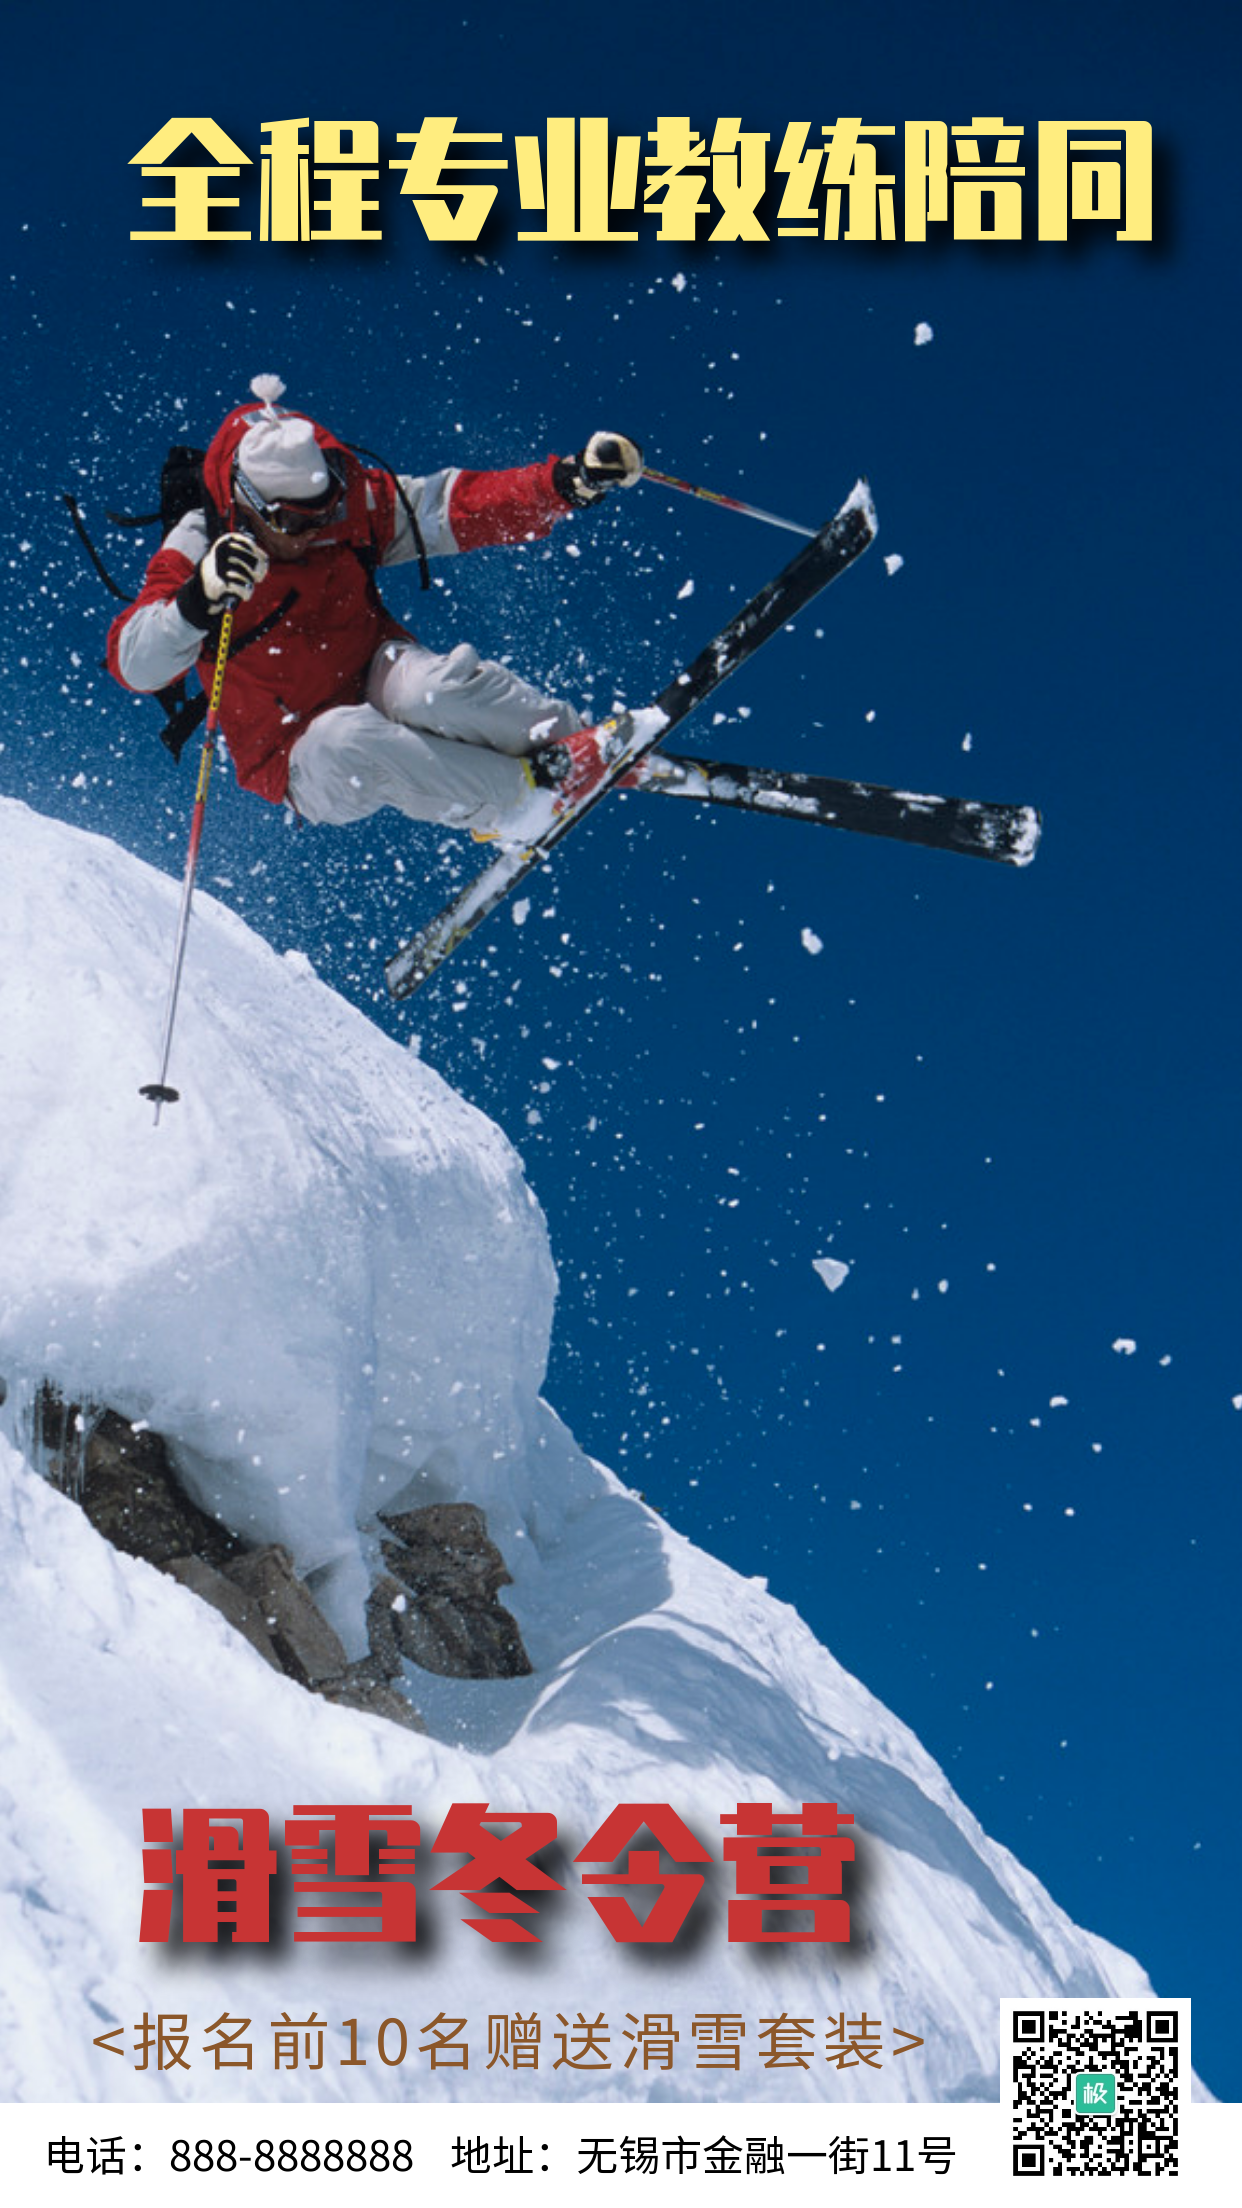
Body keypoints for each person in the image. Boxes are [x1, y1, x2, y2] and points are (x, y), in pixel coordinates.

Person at [107, 375, 643, 843]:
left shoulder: (348, 509)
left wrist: (563, 484)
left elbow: (449, 507)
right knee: (351, 740)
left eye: (323, 511)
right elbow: (134, 664)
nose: (313, 531)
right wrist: (195, 603)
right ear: (248, 504)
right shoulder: (200, 545)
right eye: (292, 522)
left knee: (432, 690)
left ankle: (576, 747)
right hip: (296, 753)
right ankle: (521, 804)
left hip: (371, 672)